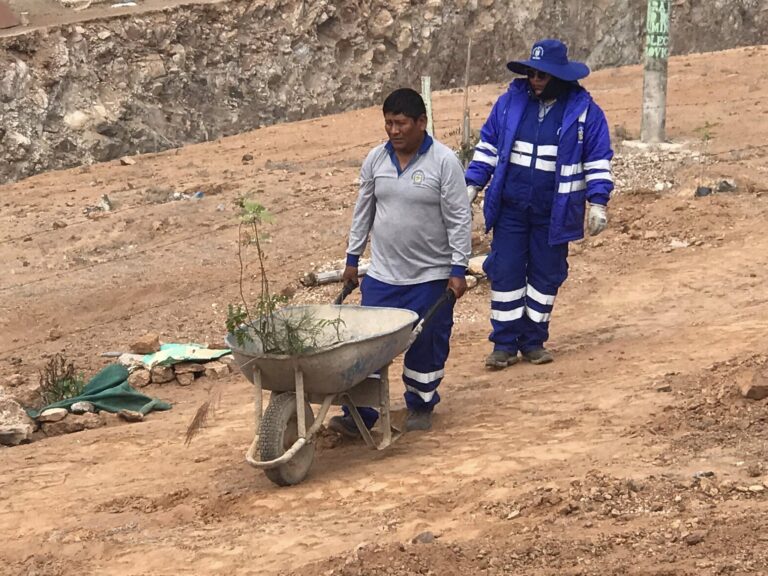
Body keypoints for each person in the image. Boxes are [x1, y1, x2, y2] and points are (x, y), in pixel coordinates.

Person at [328, 87, 472, 436]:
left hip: (429, 277)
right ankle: (361, 415)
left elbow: (459, 217)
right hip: (383, 275)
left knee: (426, 343)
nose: (394, 131)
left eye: (401, 123)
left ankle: (421, 404)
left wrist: (458, 268)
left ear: (421, 122)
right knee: (366, 348)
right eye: (388, 123)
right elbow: (363, 211)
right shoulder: (376, 160)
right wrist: (352, 258)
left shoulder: (444, 162)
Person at [465, 39, 614, 369]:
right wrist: (473, 183)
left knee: (546, 278)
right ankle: (503, 345)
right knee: (505, 273)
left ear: (559, 76)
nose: (534, 79)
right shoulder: (509, 104)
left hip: (555, 213)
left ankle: (533, 341)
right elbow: (488, 146)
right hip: (511, 209)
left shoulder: (585, 112)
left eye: (541, 75)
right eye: (531, 72)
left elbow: (598, 159)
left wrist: (599, 203)